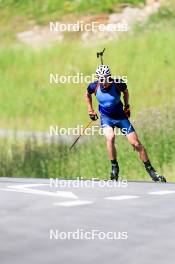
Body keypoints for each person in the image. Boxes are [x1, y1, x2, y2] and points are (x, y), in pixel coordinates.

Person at [85, 65, 166, 182]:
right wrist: (90, 110)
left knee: (136, 144)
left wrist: (127, 106)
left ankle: (151, 171)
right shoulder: (94, 86)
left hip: (121, 117)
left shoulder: (118, 83)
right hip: (106, 118)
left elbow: (125, 92)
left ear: (109, 77)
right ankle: (114, 168)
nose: (103, 82)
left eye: (105, 79)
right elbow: (87, 94)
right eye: (100, 79)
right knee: (110, 137)